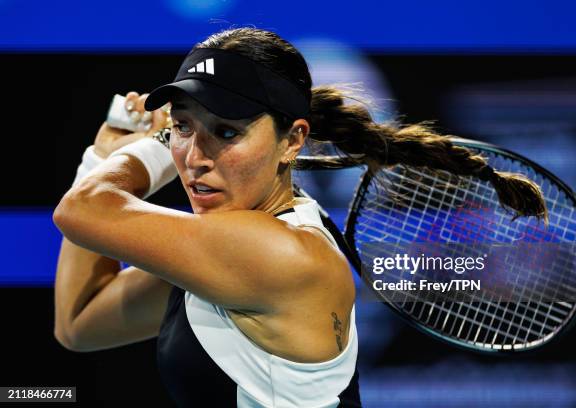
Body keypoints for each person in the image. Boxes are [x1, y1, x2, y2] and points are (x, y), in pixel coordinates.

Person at [54, 28, 546, 408]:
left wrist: (152, 146)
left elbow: (82, 208)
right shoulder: (225, 251)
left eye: (226, 133)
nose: (196, 156)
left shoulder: (275, 252)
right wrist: (99, 160)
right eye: (183, 127)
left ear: (292, 141)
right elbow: (80, 323)